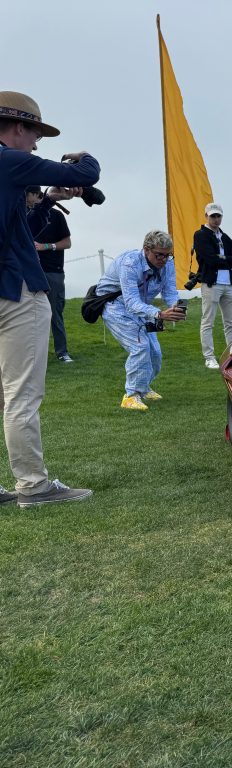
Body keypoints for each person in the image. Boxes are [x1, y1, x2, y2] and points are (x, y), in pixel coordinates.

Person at [0, 90, 96, 507]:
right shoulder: (11, 160)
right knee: (21, 394)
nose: (37, 142)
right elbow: (87, 174)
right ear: (18, 126)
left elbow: (17, 225)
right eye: (35, 132)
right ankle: (33, 485)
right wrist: (82, 158)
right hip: (18, 290)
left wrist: (49, 201)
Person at [96, 230, 185, 410]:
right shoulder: (129, 263)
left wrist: (178, 307)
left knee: (155, 352)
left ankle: (144, 388)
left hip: (144, 307)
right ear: (146, 249)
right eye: (159, 255)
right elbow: (130, 302)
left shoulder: (168, 263)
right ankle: (131, 396)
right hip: (116, 306)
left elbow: (169, 291)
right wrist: (159, 314)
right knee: (140, 346)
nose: (163, 260)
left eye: (167, 255)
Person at [25, 185, 73, 362]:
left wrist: (45, 247)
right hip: (29, 271)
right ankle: (34, 356)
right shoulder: (21, 213)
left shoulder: (57, 216)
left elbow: (67, 242)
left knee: (54, 312)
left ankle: (62, 352)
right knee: (27, 314)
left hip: (53, 271)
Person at [193, 203, 232, 369]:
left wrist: (221, 257)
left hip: (228, 284)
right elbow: (209, 259)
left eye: (218, 216)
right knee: (208, 321)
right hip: (211, 283)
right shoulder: (200, 235)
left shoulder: (225, 237)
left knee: (231, 323)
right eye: (213, 216)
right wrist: (225, 259)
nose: (216, 219)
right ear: (206, 216)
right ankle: (209, 357)